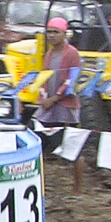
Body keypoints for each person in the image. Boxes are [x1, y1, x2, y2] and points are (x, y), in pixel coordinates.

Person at [36, 17, 84, 194]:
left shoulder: (71, 53)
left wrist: (54, 99)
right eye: (49, 32)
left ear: (64, 34)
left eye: (56, 32)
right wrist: (43, 98)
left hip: (66, 107)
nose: (52, 35)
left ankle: (78, 188)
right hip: (48, 106)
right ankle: (39, 185)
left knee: (73, 147)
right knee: (38, 143)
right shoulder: (49, 54)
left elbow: (72, 80)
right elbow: (45, 79)